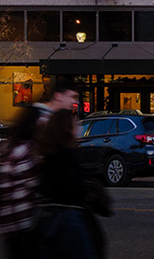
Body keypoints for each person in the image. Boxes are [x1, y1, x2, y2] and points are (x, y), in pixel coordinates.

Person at [35, 109, 105, 259]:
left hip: (48, 215)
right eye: (75, 122)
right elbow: (74, 187)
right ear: (67, 127)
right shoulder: (68, 153)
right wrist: (89, 192)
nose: (79, 125)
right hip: (69, 216)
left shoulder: (48, 153)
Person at [0, 106, 42, 259]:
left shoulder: (10, 149)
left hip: (9, 225)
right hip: (22, 222)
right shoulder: (24, 151)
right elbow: (35, 183)